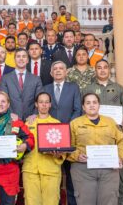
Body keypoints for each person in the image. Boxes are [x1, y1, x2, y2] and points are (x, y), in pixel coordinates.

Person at [83, 59, 123, 205]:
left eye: (105, 67)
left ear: (109, 69)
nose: (103, 70)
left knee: (117, 169)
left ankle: (120, 201)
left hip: (114, 137)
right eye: (99, 68)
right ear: (95, 70)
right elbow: (82, 111)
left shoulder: (118, 88)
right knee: (94, 173)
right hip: (93, 137)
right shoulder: (88, 89)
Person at [68, 93, 123, 205]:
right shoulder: (75, 124)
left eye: (94, 102)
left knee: (109, 201)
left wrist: (120, 157)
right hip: (83, 170)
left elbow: (120, 142)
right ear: (83, 107)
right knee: (85, 201)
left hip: (109, 170)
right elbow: (68, 147)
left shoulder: (110, 122)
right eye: (88, 103)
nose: (91, 105)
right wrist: (77, 156)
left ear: (99, 105)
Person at [43, 61, 82, 205]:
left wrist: (66, 128)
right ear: (51, 73)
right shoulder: (45, 88)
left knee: (71, 176)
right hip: (50, 138)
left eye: (61, 69)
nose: (58, 71)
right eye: (55, 69)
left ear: (66, 72)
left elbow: (78, 109)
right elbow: (42, 109)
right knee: (53, 176)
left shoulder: (73, 87)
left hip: (69, 135)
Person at [22, 92, 65, 205]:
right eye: (41, 102)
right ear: (36, 104)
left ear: (50, 105)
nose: (44, 105)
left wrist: (58, 154)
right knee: (31, 202)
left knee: (51, 202)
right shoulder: (28, 123)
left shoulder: (57, 124)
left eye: (46, 102)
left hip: (51, 170)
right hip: (31, 170)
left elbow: (63, 150)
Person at [0, 48, 43, 120]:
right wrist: (9, 113)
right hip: (10, 119)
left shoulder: (36, 79)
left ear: (27, 60)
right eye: (18, 56)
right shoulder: (5, 78)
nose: (21, 59)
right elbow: (2, 99)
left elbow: (40, 99)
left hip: (31, 120)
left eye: (24, 56)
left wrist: (35, 114)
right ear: (14, 59)